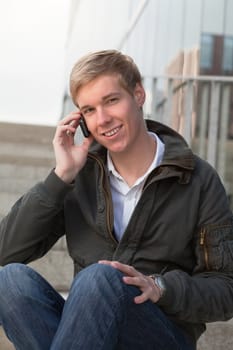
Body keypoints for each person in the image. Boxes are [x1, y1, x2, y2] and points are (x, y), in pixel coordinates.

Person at [0, 50, 233, 350]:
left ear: (138, 95)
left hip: (159, 334)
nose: (103, 119)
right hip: (88, 329)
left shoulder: (199, 179)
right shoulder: (78, 176)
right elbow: (5, 251)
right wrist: (60, 178)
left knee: (100, 278)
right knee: (10, 282)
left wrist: (161, 287)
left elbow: (226, 287)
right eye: (89, 110)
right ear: (80, 120)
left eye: (111, 100)